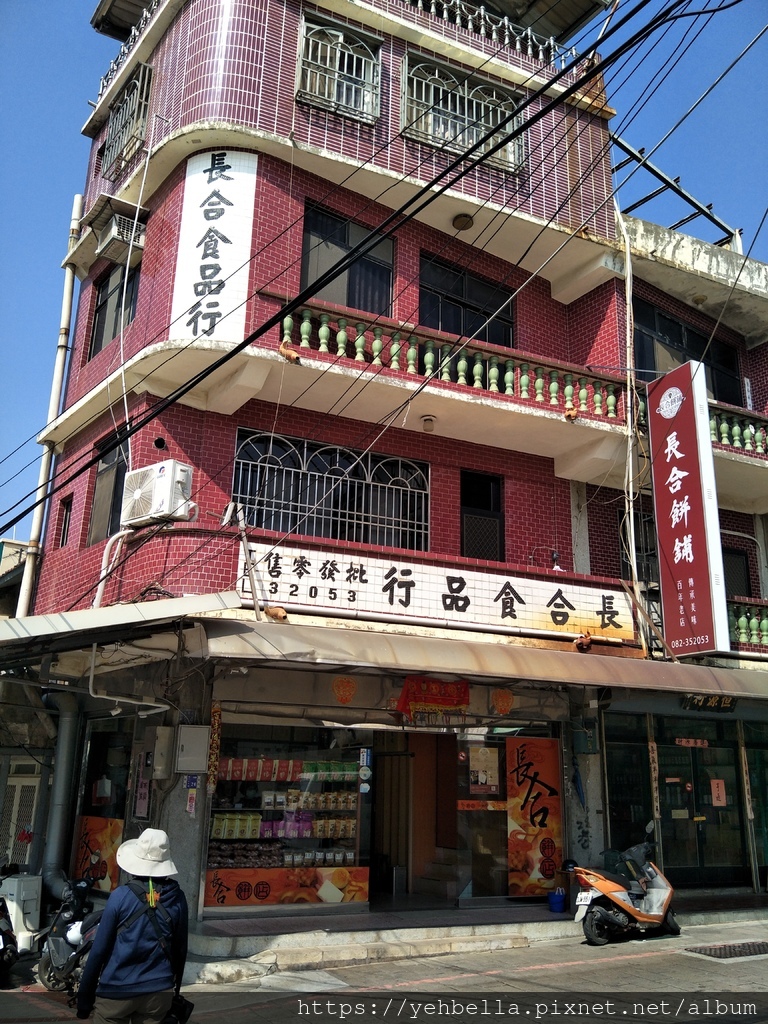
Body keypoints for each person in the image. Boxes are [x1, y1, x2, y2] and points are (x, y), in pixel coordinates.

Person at [77, 828, 188, 1024]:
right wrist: (174, 990)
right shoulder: (177, 898)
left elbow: (99, 951)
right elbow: (180, 950)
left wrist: (84, 999)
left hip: (116, 992)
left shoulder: (119, 897)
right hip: (159, 994)